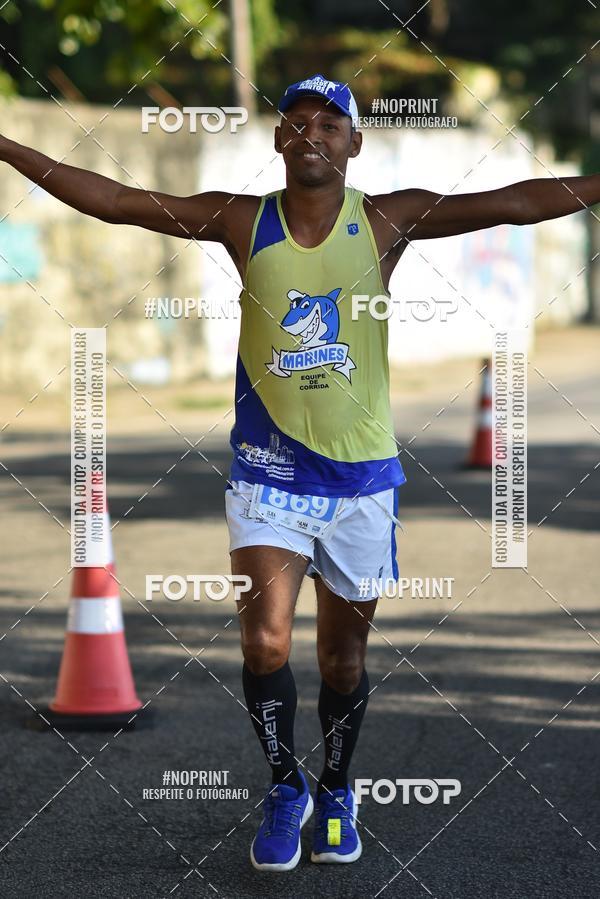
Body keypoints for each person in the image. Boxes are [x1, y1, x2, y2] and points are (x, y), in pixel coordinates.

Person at [3, 72, 598, 872]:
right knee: (265, 643)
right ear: (278, 138)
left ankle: (338, 788)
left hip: (360, 483)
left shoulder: (385, 219)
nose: (311, 131)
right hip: (267, 475)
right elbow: (115, 200)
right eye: (297, 120)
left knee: (343, 661)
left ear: (354, 142)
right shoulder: (242, 221)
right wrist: (4, 146)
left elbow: (516, 202)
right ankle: (286, 786)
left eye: (330, 121)